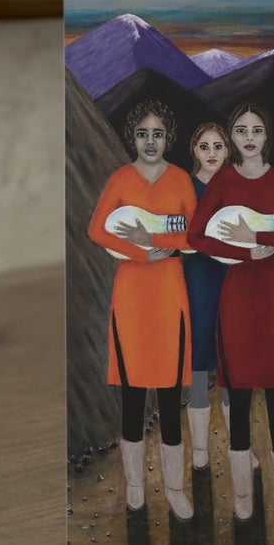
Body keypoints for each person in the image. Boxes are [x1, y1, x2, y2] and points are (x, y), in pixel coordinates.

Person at [187, 102, 274, 533]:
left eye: (257, 129)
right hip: (235, 294)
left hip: (273, 298)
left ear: (267, 134)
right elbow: (196, 236)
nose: (249, 137)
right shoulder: (222, 180)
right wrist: (243, 252)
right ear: (234, 137)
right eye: (241, 130)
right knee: (238, 399)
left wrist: (258, 238)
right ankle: (243, 497)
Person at [87, 99, 195, 520]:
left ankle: (174, 488)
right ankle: (134, 485)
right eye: (143, 134)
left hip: (170, 293)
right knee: (132, 398)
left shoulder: (181, 180)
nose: (151, 142)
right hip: (132, 294)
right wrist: (136, 252)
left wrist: (157, 244)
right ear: (133, 137)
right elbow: (96, 229)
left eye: (158, 134)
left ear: (169, 137)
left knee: (169, 398)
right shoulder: (120, 178)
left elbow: (195, 235)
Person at [183, 122, 230, 469]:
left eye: (218, 146)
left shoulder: (235, 186)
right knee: (200, 351)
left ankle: (237, 444)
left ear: (227, 150)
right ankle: (200, 450)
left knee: (230, 354)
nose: (211, 153)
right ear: (194, 151)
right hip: (198, 275)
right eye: (204, 147)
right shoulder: (186, 187)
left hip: (231, 275)